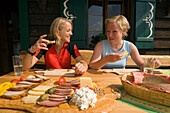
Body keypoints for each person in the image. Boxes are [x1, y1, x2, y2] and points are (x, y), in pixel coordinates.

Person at [89, 15, 161, 70]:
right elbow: (92, 66)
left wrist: (151, 64)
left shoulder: (130, 46)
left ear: (123, 31)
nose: (110, 35)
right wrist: (106, 59)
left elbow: (142, 65)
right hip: (103, 80)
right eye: (108, 31)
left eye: (114, 31)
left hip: (121, 80)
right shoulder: (101, 45)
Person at [23, 17, 88, 74]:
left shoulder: (71, 46)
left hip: (67, 79)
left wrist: (83, 67)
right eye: (68, 31)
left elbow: (82, 62)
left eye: (71, 31)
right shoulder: (45, 46)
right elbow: (25, 67)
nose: (71, 33)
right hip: (49, 79)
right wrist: (31, 51)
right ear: (57, 31)